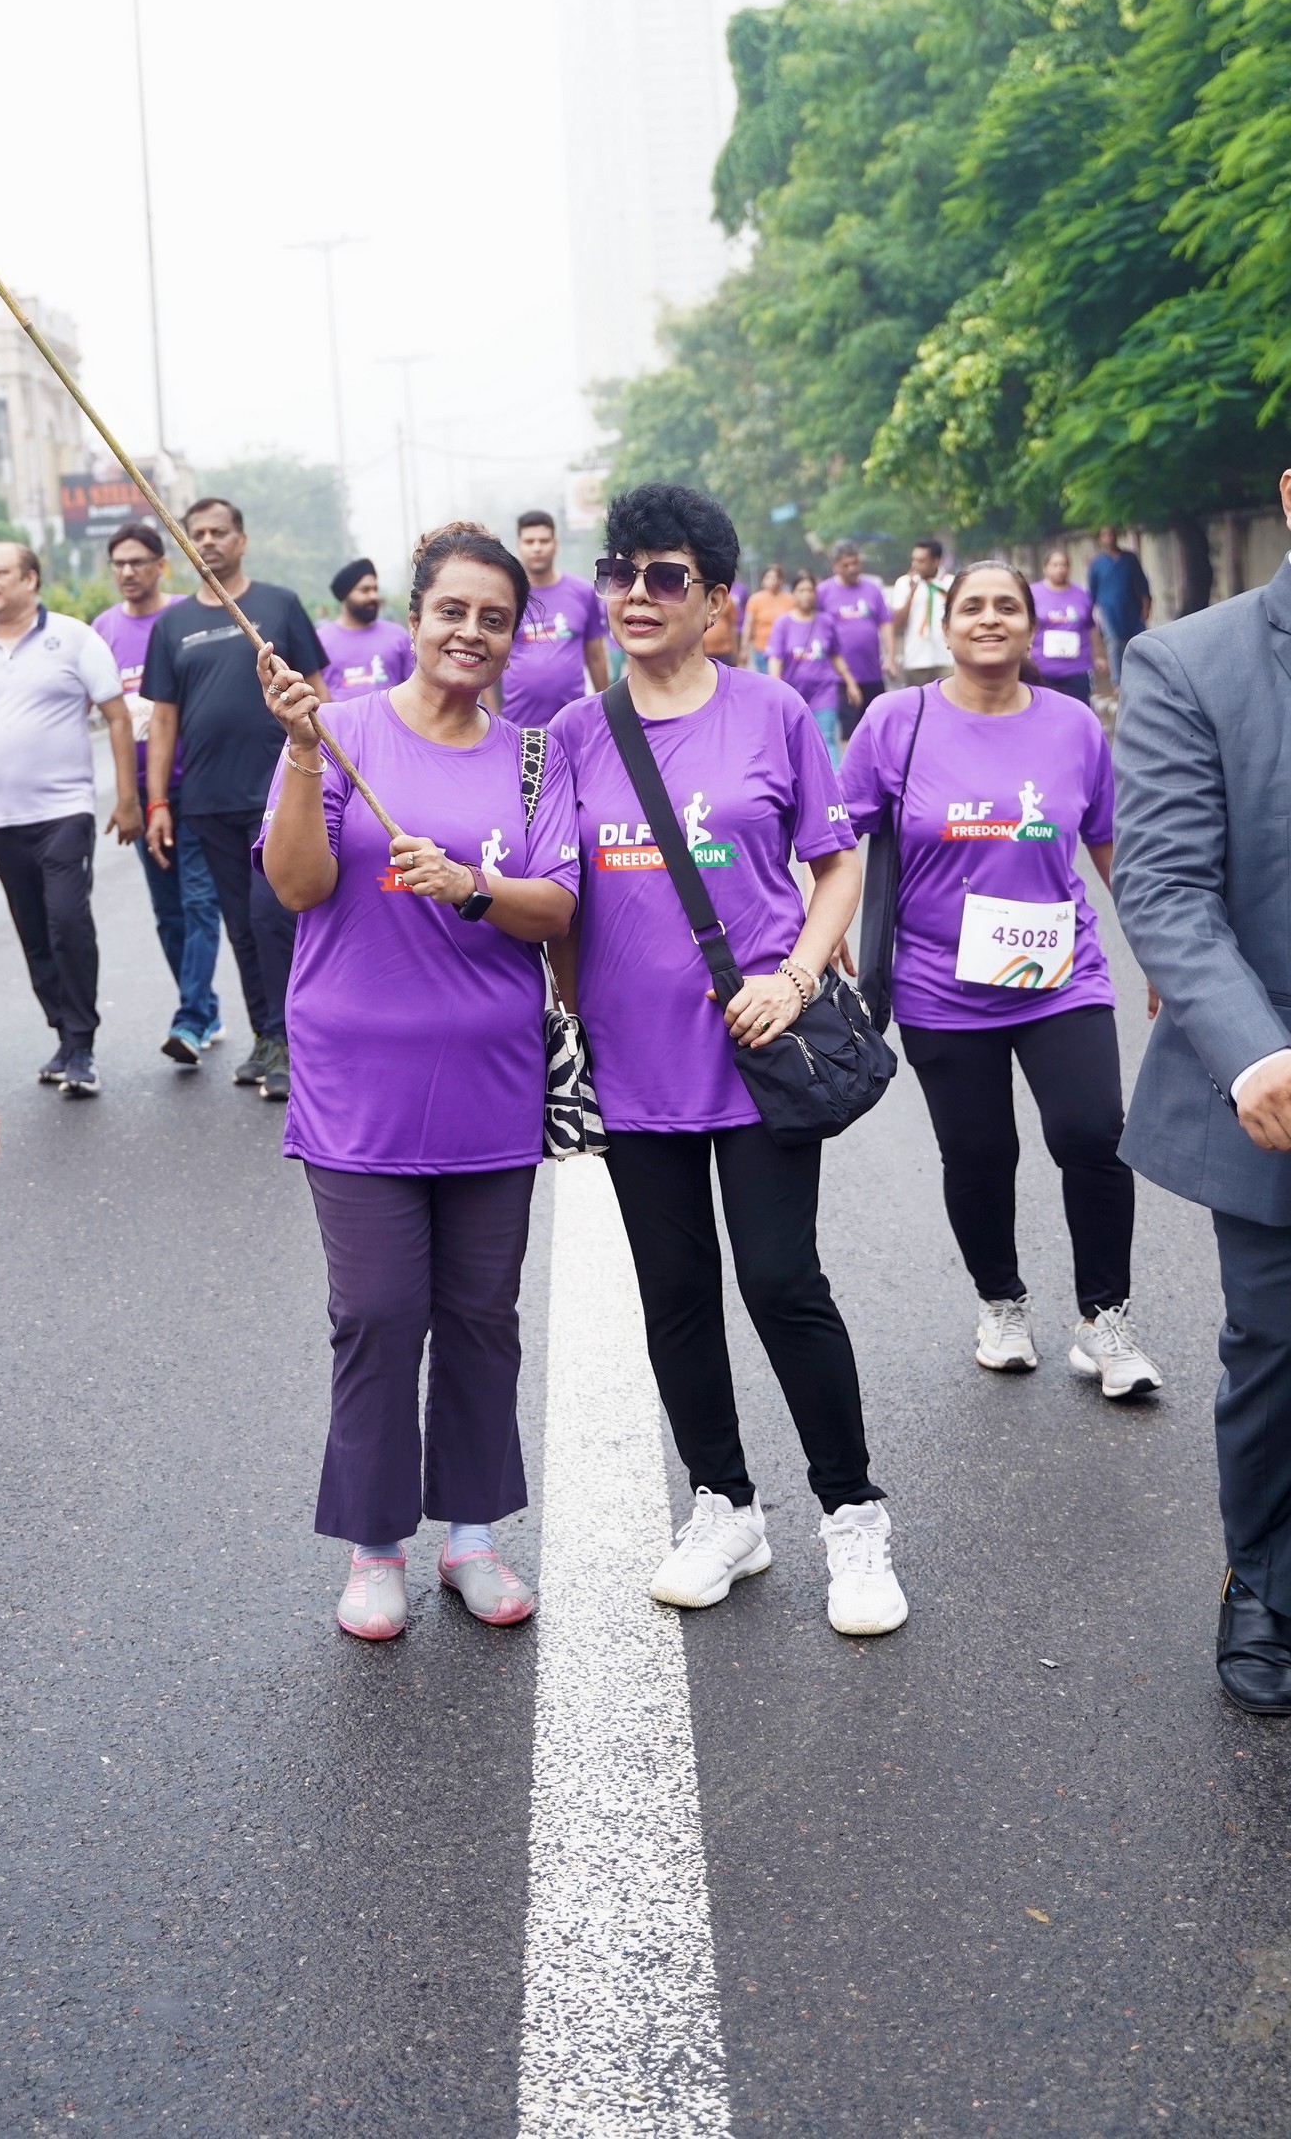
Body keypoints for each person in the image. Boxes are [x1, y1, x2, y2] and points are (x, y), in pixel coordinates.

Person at [551, 481, 908, 1640]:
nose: (636, 595)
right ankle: (723, 1508)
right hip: (630, 1066)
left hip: (756, 1058)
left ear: (713, 599)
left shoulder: (771, 713)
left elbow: (835, 864)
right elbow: (550, 900)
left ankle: (850, 1515)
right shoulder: (574, 735)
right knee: (673, 1296)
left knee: (779, 1281)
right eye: (619, 573)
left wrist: (793, 979)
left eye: (665, 577)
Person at [258, 522, 579, 1640]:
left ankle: (473, 1536)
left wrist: (470, 886)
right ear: (414, 618)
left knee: (482, 1316)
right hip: (357, 1086)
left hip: (491, 1081)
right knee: (378, 1314)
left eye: (495, 619)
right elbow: (296, 886)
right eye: (452, 610)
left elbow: (558, 906)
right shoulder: (336, 732)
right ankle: (374, 1544)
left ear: (515, 636)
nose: (471, 633)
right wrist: (302, 755)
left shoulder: (533, 757)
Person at [842, 559, 1160, 1397]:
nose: (990, 619)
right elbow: (834, 840)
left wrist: (1159, 948)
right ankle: (1001, 1303)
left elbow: (1110, 845)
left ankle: (1105, 1320)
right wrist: (817, 936)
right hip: (941, 986)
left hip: (1061, 976)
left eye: (1007, 607)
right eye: (973, 607)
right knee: (980, 1154)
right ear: (945, 628)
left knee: (1092, 1133)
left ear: (1030, 627)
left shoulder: (1074, 725)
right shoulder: (896, 722)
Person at [1113, 466, 1291, 1714]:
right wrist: (1251, 1053)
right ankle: (1265, 1580)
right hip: (1275, 1084)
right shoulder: (1189, 663)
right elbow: (1165, 888)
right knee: (1275, 1345)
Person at [143, 498, 328, 1105]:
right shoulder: (171, 626)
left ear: (242, 541)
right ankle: (266, 1036)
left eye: (219, 531)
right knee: (241, 925)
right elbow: (163, 720)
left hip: (279, 791)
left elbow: (318, 692)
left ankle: (291, 1039)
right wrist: (157, 801)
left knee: (274, 916)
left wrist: (333, 771)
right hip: (207, 798)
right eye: (197, 533)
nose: (207, 541)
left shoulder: (278, 604)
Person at [0, 541, 137, 1100]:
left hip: (65, 812)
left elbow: (117, 717)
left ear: (30, 579)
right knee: (33, 934)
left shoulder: (75, 638)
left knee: (67, 922)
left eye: (0, 571)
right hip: (2, 821)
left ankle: (82, 1043)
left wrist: (127, 799)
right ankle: (63, 1033)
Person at [90, 519, 225, 1068]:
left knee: (200, 903)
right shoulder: (102, 630)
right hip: (147, 798)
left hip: (198, 790)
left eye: (137, 562)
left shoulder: (185, 619)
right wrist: (128, 799)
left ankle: (190, 1017)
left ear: (160, 566)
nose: (127, 571)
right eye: (118, 563)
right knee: (169, 912)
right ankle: (205, 1009)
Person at [499, 510, 608, 725]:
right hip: (516, 725)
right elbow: (489, 655)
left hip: (574, 723)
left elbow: (596, 656)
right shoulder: (506, 596)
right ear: (519, 546)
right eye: (529, 541)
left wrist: (605, 713)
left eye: (544, 541)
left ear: (555, 544)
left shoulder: (583, 592)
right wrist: (493, 715)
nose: (537, 547)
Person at [767, 568, 861, 769]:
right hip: (794, 694)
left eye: (810, 590)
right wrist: (775, 687)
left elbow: (835, 655)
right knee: (794, 742)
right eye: (801, 590)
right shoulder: (783, 624)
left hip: (824, 691)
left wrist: (850, 682)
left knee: (827, 738)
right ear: (793, 594)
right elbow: (775, 658)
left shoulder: (826, 622)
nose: (806, 595)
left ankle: (834, 782)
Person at [817, 542, 892, 735]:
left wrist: (891, 657)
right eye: (846, 565)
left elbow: (885, 623)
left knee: (876, 729)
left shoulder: (872, 589)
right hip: (840, 676)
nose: (852, 568)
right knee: (850, 732)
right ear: (835, 566)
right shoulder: (823, 592)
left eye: (855, 563)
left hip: (872, 673)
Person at [318, 558, 414, 695]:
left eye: (375, 589)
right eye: (365, 590)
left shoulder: (398, 636)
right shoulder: (320, 641)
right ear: (345, 595)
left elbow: (415, 688)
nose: (373, 596)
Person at [1030, 546, 1108, 706]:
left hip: (1077, 668)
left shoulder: (1082, 595)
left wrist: (1099, 656)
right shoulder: (1033, 594)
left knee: (1078, 709)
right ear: (1045, 568)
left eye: (1064, 565)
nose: (1060, 569)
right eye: (1055, 565)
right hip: (1043, 668)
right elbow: (1024, 626)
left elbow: (1091, 627)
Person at [1089, 525, 1153, 678]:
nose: (1109, 538)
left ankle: (1143, 678)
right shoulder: (1096, 564)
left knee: (1138, 644)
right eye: (1105, 535)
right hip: (1109, 612)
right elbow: (1092, 592)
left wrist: (1146, 606)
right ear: (1100, 539)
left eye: (1111, 534)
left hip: (1132, 610)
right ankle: (1118, 682)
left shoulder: (1130, 559)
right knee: (1114, 645)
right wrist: (1092, 618)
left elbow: (1142, 584)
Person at [891, 537, 954, 687]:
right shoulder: (904, 583)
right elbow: (897, 623)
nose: (915, 565)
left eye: (921, 561)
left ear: (937, 561)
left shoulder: (951, 583)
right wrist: (911, 594)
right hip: (916, 658)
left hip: (947, 658)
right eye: (914, 560)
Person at [741, 561, 790, 673]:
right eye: (769, 577)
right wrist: (744, 649)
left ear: (781, 580)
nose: (773, 581)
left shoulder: (789, 600)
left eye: (776, 577)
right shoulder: (755, 599)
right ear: (763, 580)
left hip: (784, 650)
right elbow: (748, 625)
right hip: (762, 649)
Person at [704, 564, 748, 666]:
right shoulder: (701, 600)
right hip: (705, 651)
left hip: (726, 650)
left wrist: (735, 653)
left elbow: (733, 628)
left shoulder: (727, 600)